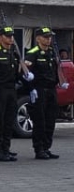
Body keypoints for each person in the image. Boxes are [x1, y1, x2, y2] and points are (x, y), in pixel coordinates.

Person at [0, 24, 21, 162]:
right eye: (7, 36)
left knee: (9, 121)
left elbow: (16, 74)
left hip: (11, 90)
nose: (11, 38)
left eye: (12, 36)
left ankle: (5, 148)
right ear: (0, 38)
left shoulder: (13, 53)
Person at [28, 27, 61, 159]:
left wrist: (59, 81)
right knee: (40, 121)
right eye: (45, 37)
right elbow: (25, 74)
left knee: (50, 120)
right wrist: (31, 88)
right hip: (39, 90)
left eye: (49, 37)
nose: (48, 39)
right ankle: (39, 149)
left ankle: (47, 147)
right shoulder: (33, 53)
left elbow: (56, 71)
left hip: (51, 90)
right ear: (38, 38)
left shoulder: (52, 52)